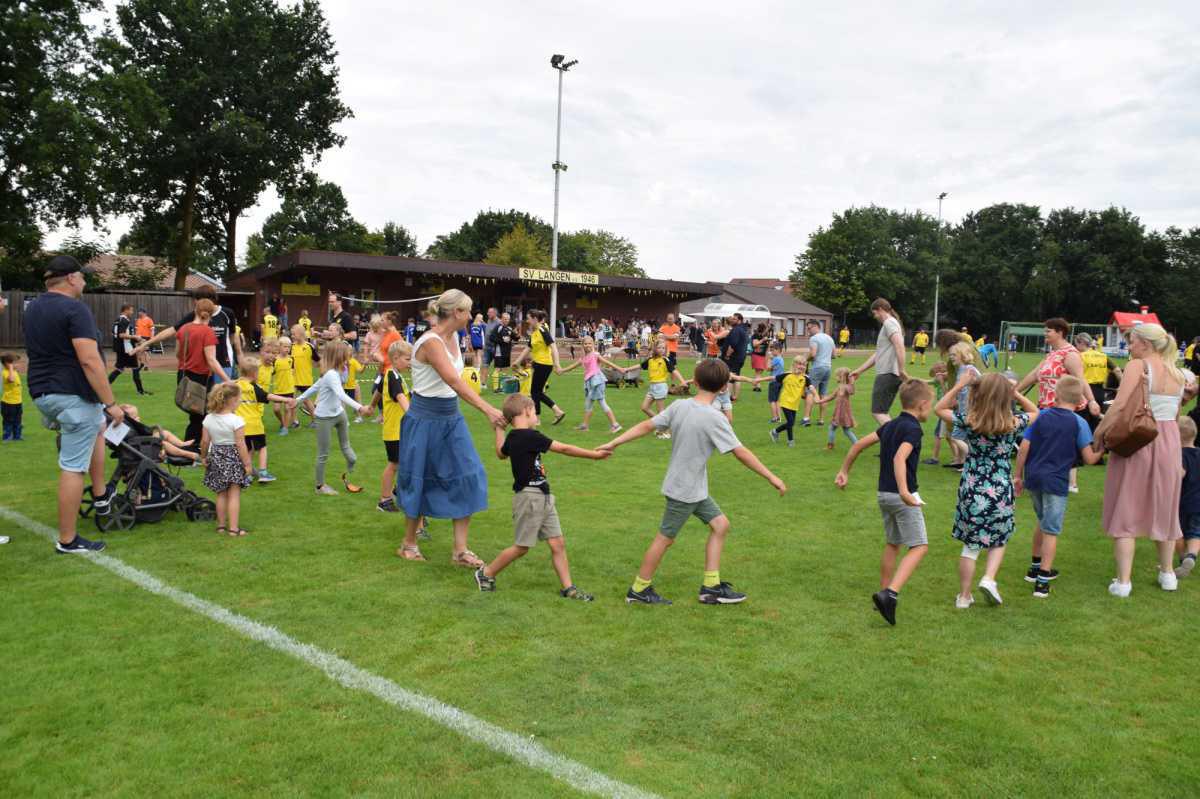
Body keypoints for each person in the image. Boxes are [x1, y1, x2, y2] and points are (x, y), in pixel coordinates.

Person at [599, 358, 786, 605]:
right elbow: (741, 452)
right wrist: (772, 476)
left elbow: (646, 425)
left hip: (693, 487)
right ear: (723, 388)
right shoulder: (716, 417)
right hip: (684, 490)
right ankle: (639, 590)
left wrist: (614, 442)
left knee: (720, 525)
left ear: (695, 382)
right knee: (665, 538)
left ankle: (711, 587)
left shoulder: (680, 406)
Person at [396, 290, 506, 567]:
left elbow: (455, 383)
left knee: (469, 475)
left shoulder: (455, 337)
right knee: (419, 479)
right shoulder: (431, 342)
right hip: (424, 418)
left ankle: (460, 551)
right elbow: (454, 382)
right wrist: (489, 410)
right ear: (456, 312)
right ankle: (408, 543)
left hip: (450, 417)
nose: (470, 317)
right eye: (467, 311)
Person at [25, 256, 127, 553]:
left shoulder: (33, 308)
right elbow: (89, 359)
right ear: (71, 278)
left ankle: (100, 494)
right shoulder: (74, 308)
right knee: (73, 468)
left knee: (98, 424)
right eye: (83, 277)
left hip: (43, 393)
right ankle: (68, 540)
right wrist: (111, 403)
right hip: (70, 395)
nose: (84, 282)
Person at [474, 393, 609, 600]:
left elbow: (501, 453)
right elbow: (564, 448)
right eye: (535, 412)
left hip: (543, 495)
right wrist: (594, 455)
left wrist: (500, 429)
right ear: (527, 411)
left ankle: (568, 588)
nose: (537, 416)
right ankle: (486, 573)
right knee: (521, 547)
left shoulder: (514, 436)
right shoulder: (530, 437)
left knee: (558, 543)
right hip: (529, 498)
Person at [1100, 323, 1196, 597]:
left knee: (1126, 508)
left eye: (1132, 342)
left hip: (1138, 439)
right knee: (1165, 510)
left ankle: (1123, 582)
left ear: (1146, 344)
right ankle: (1167, 575)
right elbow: (1176, 414)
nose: (1129, 347)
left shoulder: (1138, 366)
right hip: (1168, 441)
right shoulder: (1179, 372)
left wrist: (1100, 431)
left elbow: (1120, 404)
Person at [935, 373, 1038, 608]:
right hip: (1000, 486)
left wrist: (960, 385)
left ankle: (963, 596)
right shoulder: (1012, 422)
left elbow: (939, 409)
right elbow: (1035, 412)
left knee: (971, 545)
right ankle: (989, 579)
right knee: (998, 538)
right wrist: (1016, 393)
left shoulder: (969, 420)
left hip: (972, 486)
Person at [834, 379, 934, 625]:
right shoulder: (913, 429)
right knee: (920, 546)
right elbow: (900, 458)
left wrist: (844, 470)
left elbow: (858, 444)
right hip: (901, 496)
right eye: (930, 405)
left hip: (883, 495)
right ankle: (890, 594)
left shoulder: (889, 426)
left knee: (893, 543)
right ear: (921, 405)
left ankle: (882, 592)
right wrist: (904, 491)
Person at [1013, 375, 1102, 598]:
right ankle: (1043, 580)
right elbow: (1090, 459)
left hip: (1033, 477)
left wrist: (1018, 476)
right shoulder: (1079, 423)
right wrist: (1104, 446)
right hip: (1056, 482)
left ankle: (1034, 568)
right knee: (1051, 530)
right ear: (1081, 400)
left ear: (1056, 394)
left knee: (1042, 522)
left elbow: (1024, 447)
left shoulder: (1041, 416)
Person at [1016, 318, 1102, 492]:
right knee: (1042, 445)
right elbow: (1034, 374)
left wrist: (1092, 401)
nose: (1045, 334)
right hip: (1046, 407)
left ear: (1060, 332)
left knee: (1060, 447)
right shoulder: (1052, 354)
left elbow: (1080, 379)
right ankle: (1039, 480)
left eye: (1048, 331)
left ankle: (1070, 483)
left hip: (1065, 408)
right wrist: (1015, 391)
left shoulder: (1070, 354)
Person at [293, 341, 370, 495]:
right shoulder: (331, 375)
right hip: (324, 418)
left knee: (349, 453)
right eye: (346, 353)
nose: (349, 356)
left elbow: (316, 387)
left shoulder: (340, 370)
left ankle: (349, 471)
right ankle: (319, 487)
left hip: (339, 413)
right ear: (338, 356)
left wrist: (297, 400)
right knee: (323, 453)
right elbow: (339, 394)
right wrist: (360, 407)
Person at [134, 286, 240, 381]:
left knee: (221, 398)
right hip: (203, 366)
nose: (194, 302)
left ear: (205, 299)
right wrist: (146, 344)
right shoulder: (194, 315)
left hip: (223, 363)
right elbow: (171, 330)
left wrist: (233, 353)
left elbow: (232, 336)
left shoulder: (227, 313)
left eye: (196, 299)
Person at [199, 383, 253, 536]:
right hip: (233, 457)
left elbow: (204, 442)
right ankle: (234, 529)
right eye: (239, 400)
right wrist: (247, 463)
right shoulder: (236, 420)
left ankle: (221, 526)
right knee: (234, 493)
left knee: (221, 493)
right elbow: (241, 444)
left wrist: (203, 457)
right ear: (233, 400)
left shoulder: (208, 418)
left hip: (216, 456)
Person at [849, 298, 909, 425]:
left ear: (880, 309)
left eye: (875, 313)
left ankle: (896, 440)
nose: (875, 317)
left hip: (888, 373)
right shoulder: (891, 324)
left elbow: (899, 345)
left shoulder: (889, 323)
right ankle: (895, 439)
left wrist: (901, 369)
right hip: (888, 373)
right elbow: (879, 354)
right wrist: (859, 371)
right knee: (882, 411)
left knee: (879, 412)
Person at [176, 300, 227, 448]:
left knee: (197, 415)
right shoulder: (207, 332)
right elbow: (211, 360)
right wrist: (227, 379)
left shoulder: (184, 328)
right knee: (201, 416)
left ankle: (194, 447)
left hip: (184, 375)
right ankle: (193, 448)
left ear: (195, 310)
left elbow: (178, 355)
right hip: (201, 377)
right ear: (211, 314)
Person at [235, 356, 290, 483]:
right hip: (255, 425)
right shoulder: (253, 387)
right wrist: (286, 399)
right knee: (262, 448)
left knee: (247, 450)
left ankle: (247, 475)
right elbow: (268, 396)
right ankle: (263, 472)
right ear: (254, 373)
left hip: (240, 427)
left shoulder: (235, 386)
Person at [557, 336, 628, 432]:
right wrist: (562, 371)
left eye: (589, 343)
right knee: (588, 403)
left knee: (601, 403)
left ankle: (615, 425)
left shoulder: (595, 355)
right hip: (590, 382)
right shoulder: (583, 358)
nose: (587, 345)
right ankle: (585, 426)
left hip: (597, 382)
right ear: (583, 345)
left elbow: (607, 362)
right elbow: (572, 366)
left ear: (593, 344)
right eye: (585, 344)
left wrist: (620, 369)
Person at [377, 339, 413, 513]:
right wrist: (413, 416)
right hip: (394, 431)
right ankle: (384, 499)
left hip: (401, 430)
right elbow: (400, 398)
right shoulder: (392, 375)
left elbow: (407, 396)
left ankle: (399, 489)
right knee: (393, 464)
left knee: (405, 462)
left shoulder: (397, 376)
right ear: (396, 358)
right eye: (408, 359)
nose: (410, 362)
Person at [524, 309, 566, 424]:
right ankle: (557, 412)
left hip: (544, 364)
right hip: (539, 364)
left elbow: (553, 347)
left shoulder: (542, 330)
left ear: (535, 319)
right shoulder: (535, 332)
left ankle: (537, 419)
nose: (527, 321)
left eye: (528, 318)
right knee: (537, 392)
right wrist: (516, 362)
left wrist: (557, 364)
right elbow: (528, 348)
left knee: (535, 392)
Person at [944, 342, 981, 470]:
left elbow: (982, 383)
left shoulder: (969, 369)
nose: (951, 357)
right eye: (950, 355)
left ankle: (974, 458)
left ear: (963, 355)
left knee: (956, 436)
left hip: (969, 410)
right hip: (962, 409)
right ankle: (967, 463)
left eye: (954, 355)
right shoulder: (960, 369)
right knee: (962, 437)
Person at [764, 356, 815, 447]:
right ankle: (790, 441)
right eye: (799, 364)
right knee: (790, 422)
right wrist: (757, 380)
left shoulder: (805, 378)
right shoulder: (787, 375)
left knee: (791, 423)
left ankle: (775, 432)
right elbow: (773, 378)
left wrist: (818, 397)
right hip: (785, 401)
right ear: (794, 364)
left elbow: (811, 387)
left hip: (794, 403)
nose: (802, 366)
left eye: (804, 365)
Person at [1174, 416, 1200, 578]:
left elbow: (1179, 475)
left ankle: (1183, 558)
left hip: (1183, 503)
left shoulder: (1180, 456)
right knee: (1196, 533)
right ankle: (1191, 555)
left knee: (1178, 533)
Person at [813, 367, 859, 450]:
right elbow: (831, 396)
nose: (835, 377)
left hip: (842, 412)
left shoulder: (846, 387)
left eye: (837, 376)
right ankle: (857, 445)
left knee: (835, 428)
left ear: (842, 377)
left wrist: (852, 382)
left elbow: (852, 391)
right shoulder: (840, 386)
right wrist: (820, 401)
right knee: (844, 430)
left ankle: (832, 445)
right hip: (839, 411)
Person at [109, 304, 148, 395]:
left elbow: (113, 333)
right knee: (136, 367)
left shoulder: (117, 320)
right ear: (126, 310)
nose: (132, 312)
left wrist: (136, 339)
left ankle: (103, 388)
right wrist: (135, 337)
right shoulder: (124, 320)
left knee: (119, 369)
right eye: (131, 310)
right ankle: (140, 391)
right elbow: (121, 335)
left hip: (120, 348)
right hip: (127, 349)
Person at [803, 321, 835, 427]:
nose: (808, 331)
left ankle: (806, 418)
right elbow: (834, 355)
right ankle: (821, 420)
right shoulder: (829, 338)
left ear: (816, 326)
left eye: (809, 328)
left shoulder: (814, 338)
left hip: (817, 367)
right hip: (828, 367)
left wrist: (804, 360)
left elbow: (813, 354)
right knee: (823, 394)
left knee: (809, 391)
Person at [639, 340, 674, 434]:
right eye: (659, 348)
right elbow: (640, 366)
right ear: (655, 348)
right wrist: (626, 369)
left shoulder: (665, 360)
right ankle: (661, 424)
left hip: (661, 386)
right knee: (644, 407)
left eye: (663, 348)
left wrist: (683, 381)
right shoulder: (651, 359)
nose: (662, 350)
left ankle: (666, 431)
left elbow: (674, 371)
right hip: (652, 387)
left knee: (661, 411)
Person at [921, 362, 952, 466]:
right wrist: (910, 380)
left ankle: (935, 458)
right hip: (942, 412)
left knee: (939, 434)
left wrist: (942, 382)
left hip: (946, 411)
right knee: (949, 436)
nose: (935, 377)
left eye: (936, 374)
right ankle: (959, 458)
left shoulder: (948, 383)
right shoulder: (938, 381)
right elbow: (926, 382)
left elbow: (948, 396)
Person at [720, 313, 750, 401]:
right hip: (740, 357)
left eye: (734, 319)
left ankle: (727, 397)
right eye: (732, 319)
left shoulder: (736, 330)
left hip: (733, 357)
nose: (732, 320)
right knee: (737, 376)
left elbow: (733, 344)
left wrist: (727, 355)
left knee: (729, 376)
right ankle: (734, 396)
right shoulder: (744, 329)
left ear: (739, 320)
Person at [290, 324, 317, 425]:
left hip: (305, 379)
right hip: (293, 379)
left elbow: (318, 360)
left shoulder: (309, 347)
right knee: (292, 400)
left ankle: (315, 420)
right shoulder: (291, 347)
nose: (292, 336)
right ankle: (294, 421)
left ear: (301, 334)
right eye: (291, 334)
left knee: (306, 401)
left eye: (294, 334)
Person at [272, 336, 296, 433]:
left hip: (289, 389)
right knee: (276, 409)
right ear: (279, 347)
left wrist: (293, 386)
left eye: (289, 347)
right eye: (285, 347)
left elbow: (293, 373)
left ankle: (285, 428)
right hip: (278, 389)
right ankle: (282, 422)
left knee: (287, 408)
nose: (287, 349)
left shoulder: (291, 359)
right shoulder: (275, 360)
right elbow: (271, 372)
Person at [487, 312, 515, 392]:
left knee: (506, 368)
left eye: (508, 319)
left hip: (507, 351)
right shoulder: (498, 327)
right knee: (498, 368)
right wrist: (502, 340)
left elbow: (514, 337)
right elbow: (491, 338)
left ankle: (504, 386)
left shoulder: (509, 328)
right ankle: (496, 388)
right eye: (505, 319)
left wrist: (516, 336)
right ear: (502, 319)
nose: (506, 320)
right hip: (499, 351)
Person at [658, 313, 687, 388]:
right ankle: (661, 381)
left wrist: (665, 336)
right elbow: (659, 336)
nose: (670, 320)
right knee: (661, 366)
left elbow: (674, 337)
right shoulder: (663, 327)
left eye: (671, 318)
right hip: (662, 350)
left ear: (674, 319)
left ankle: (673, 383)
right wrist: (669, 336)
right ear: (667, 319)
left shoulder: (676, 327)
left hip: (672, 350)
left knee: (672, 367)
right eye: (669, 318)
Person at [2, 352, 24, 441]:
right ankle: (7, 436)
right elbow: (11, 380)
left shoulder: (14, 371)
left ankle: (17, 436)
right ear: (8, 363)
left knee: (18, 420)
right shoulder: (5, 372)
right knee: (8, 420)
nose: (17, 364)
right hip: (8, 402)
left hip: (17, 401)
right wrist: (11, 367)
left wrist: (13, 368)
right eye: (15, 362)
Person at [480, 307, 501, 390]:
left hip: (495, 347)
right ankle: (483, 383)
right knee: (485, 365)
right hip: (487, 348)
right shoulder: (489, 321)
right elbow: (489, 329)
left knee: (498, 366)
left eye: (490, 312)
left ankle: (497, 384)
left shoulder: (499, 322)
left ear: (495, 314)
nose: (488, 314)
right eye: (488, 312)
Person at [766, 341, 786, 424]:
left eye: (773, 350)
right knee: (777, 400)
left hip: (774, 381)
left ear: (778, 350)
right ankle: (779, 417)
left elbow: (768, 368)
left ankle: (774, 418)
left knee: (772, 400)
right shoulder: (781, 359)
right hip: (780, 381)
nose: (771, 351)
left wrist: (769, 358)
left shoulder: (775, 359)